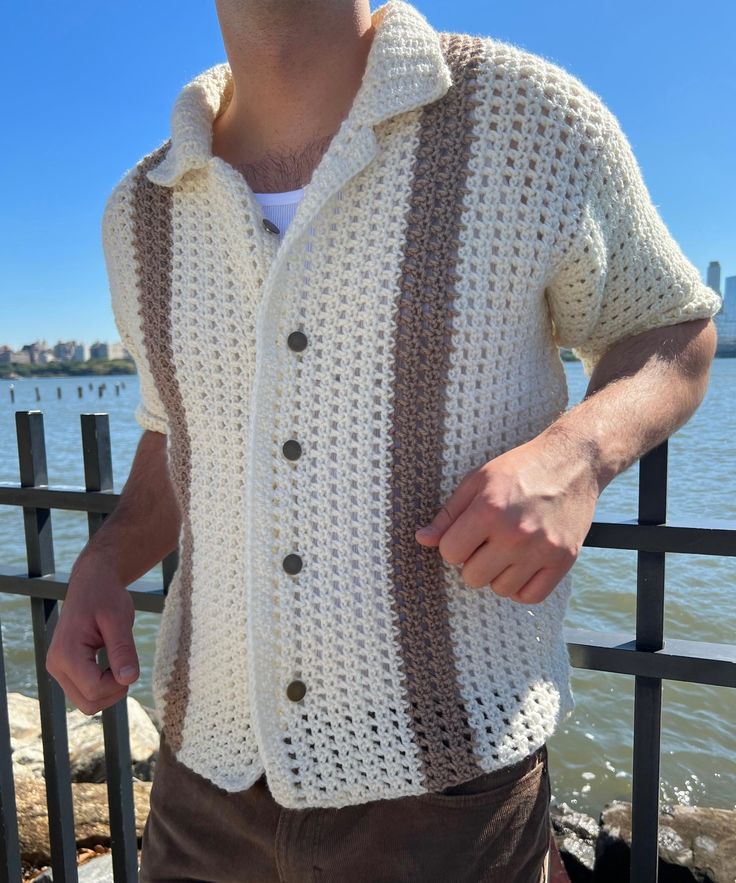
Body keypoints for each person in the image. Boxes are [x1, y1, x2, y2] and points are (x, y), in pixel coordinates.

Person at [46, 0, 721, 880]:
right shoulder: (139, 212)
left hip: (446, 788)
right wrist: (104, 559)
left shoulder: (528, 117)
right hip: (197, 780)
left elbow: (672, 326)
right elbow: (180, 428)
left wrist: (578, 454)